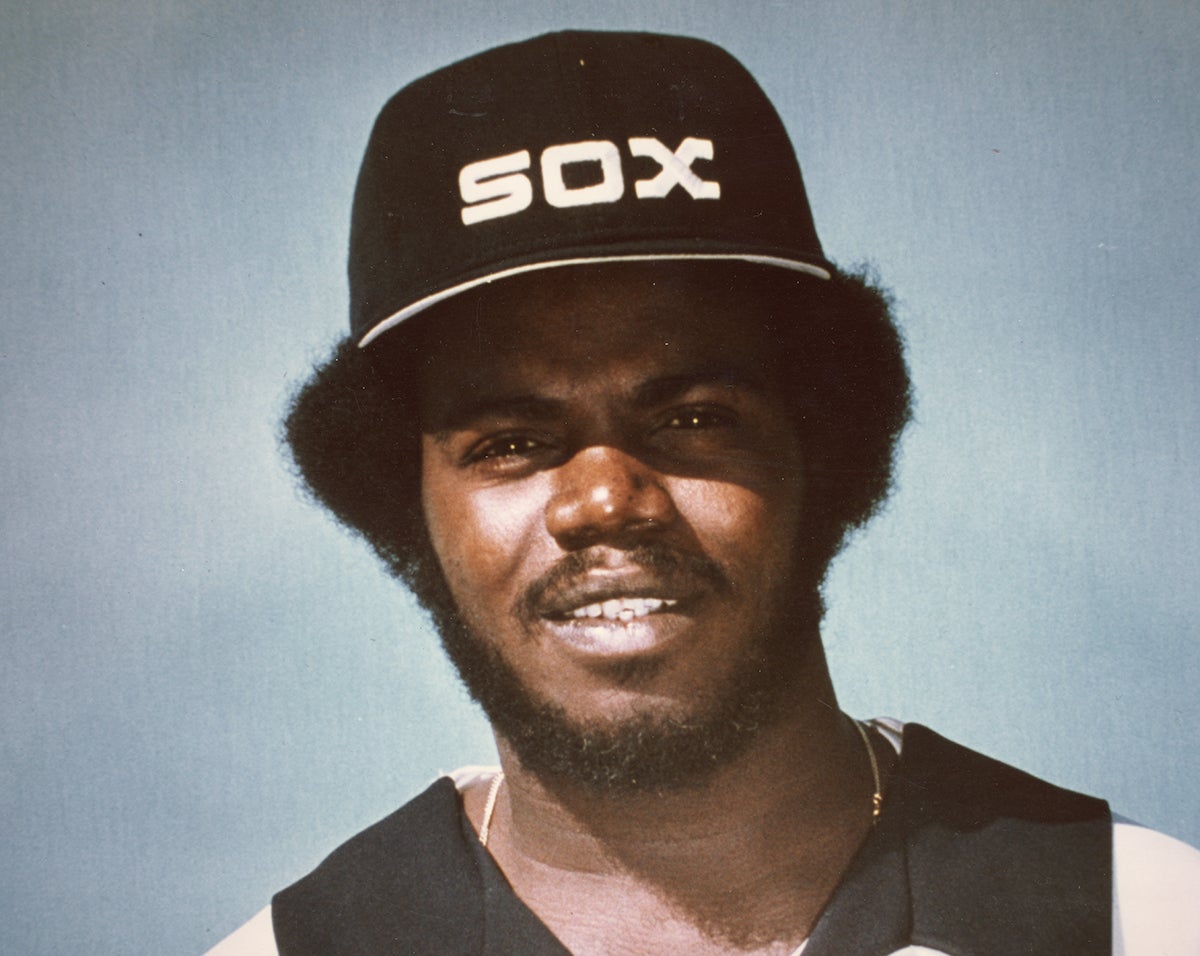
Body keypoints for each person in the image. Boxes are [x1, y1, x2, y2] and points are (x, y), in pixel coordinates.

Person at [207, 30, 1199, 956]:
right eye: (511, 441)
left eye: (691, 417)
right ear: (404, 500)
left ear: (823, 446)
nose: (602, 498)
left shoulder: (1142, 917)